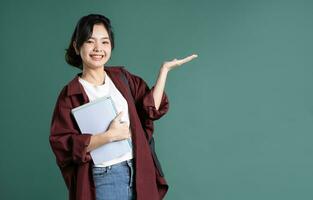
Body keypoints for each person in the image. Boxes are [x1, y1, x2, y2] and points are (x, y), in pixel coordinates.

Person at [49, 14, 197, 200]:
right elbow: (63, 145)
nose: (98, 49)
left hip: (138, 170)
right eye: (90, 41)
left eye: (105, 42)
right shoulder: (70, 95)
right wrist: (109, 136)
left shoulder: (122, 79)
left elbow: (150, 109)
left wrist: (164, 71)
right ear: (76, 46)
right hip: (104, 177)